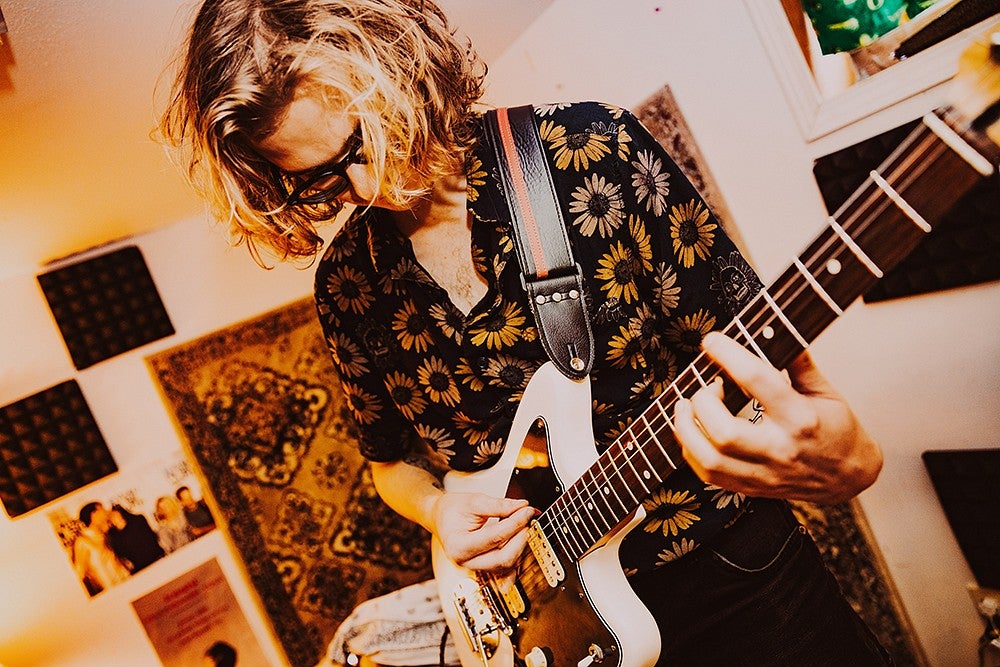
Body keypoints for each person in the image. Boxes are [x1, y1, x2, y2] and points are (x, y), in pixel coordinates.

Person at [158, 1, 890, 664]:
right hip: (553, 633)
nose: (361, 190)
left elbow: (760, 360)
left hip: (734, 577)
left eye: (364, 142)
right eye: (317, 181)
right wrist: (441, 509)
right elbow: (389, 465)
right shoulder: (347, 285)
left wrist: (846, 457)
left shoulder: (590, 149)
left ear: (401, 66)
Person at [72, 501, 131, 595]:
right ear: (93, 515)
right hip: (111, 591)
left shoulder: (105, 534)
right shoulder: (82, 541)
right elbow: (79, 573)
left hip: (125, 580)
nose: (106, 512)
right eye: (102, 509)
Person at [107, 504, 166, 573]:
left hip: (156, 558)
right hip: (140, 568)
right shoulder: (113, 535)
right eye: (111, 517)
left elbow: (152, 537)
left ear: (121, 513)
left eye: (115, 515)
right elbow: (120, 554)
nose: (114, 518)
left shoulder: (138, 520)